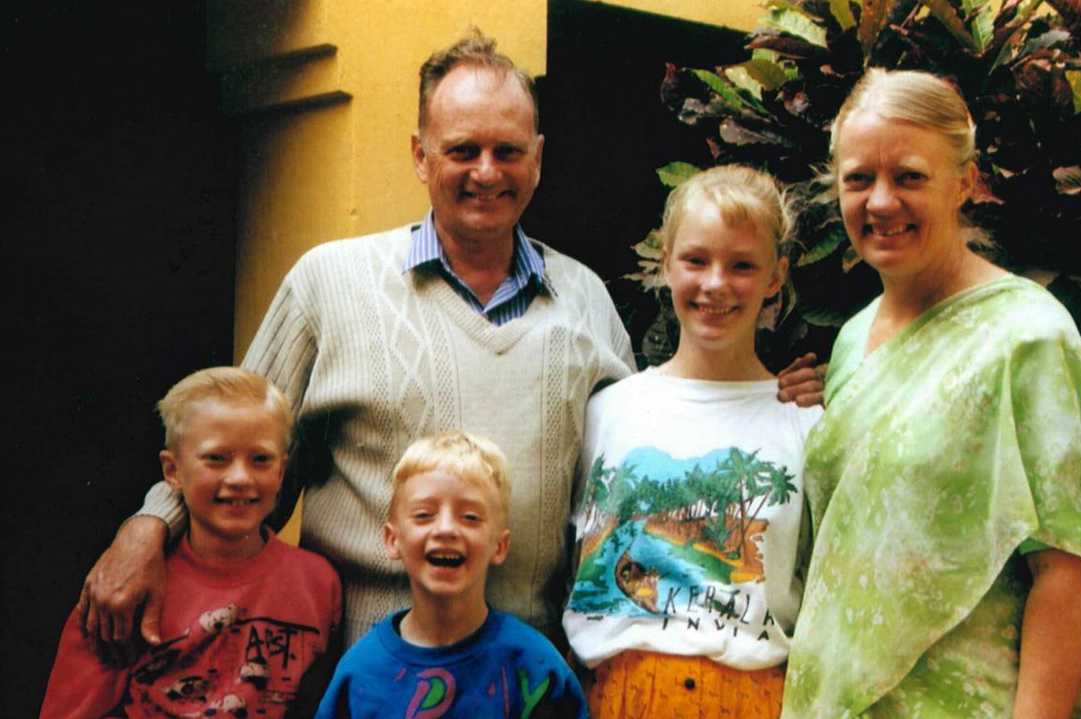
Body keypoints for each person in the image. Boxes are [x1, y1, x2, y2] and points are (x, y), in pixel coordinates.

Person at [78, 29, 824, 656]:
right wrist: (149, 525)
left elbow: (641, 461)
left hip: (529, 669)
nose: (486, 172)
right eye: (463, 149)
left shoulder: (587, 301)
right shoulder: (328, 284)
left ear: (537, 155)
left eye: (508, 150)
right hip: (364, 662)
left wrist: (773, 400)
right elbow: (232, 446)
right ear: (420, 154)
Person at [779, 69, 1081, 718]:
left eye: (910, 176)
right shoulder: (849, 340)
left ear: (966, 181)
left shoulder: (1027, 336)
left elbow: (1065, 579)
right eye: (859, 178)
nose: (881, 201)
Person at [564, 165, 823, 718]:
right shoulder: (608, 410)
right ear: (666, 262)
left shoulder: (805, 423)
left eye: (743, 265)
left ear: (776, 278)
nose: (715, 284)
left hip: (753, 697)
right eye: (697, 260)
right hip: (614, 695)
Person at [41, 367, 341, 719]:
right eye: (217, 458)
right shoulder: (123, 588)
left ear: (281, 471)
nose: (240, 478)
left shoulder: (318, 584)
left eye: (260, 459)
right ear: (172, 471)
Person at [316, 431, 587, 718]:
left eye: (470, 517)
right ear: (392, 540)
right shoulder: (361, 673)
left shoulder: (536, 668)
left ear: (500, 545)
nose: (446, 529)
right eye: (424, 515)